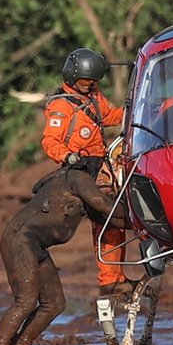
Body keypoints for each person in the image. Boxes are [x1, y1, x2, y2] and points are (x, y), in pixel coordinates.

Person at [0, 166, 127, 345]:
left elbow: (112, 218)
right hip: (20, 241)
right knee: (25, 302)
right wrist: (142, 214)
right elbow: (102, 203)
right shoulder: (76, 176)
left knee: (54, 304)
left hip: (35, 246)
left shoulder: (74, 189)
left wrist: (149, 223)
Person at [41, 48, 130, 297]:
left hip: (100, 164)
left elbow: (110, 115)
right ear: (71, 77)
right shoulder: (61, 106)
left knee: (116, 219)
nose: (89, 85)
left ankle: (117, 275)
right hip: (79, 170)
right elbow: (50, 141)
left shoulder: (93, 96)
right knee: (105, 217)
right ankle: (108, 279)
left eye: (93, 81)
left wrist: (137, 112)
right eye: (84, 81)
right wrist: (67, 156)